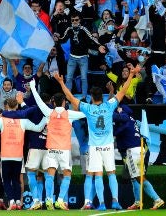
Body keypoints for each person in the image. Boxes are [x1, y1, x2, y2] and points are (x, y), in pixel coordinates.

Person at [54, 66, 140, 210]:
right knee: (111, 173)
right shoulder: (109, 106)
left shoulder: (88, 108)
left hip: (94, 147)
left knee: (97, 174)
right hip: (108, 145)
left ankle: (101, 204)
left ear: (92, 97)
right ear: (102, 96)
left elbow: (70, 97)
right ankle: (115, 201)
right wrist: (131, 75)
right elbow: (123, 90)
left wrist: (61, 82)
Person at [28, 80, 85, 210]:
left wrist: (32, 87)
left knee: (50, 175)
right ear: (64, 102)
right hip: (64, 150)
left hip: (51, 149)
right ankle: (59, 200)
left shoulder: (49, 112)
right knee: (67, 175)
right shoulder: (69, 114)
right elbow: (86, 113)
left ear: (53, 102)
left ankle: (48, 200)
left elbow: (39, 101)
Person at [0, 97, 46, 210]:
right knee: (16, 180)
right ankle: (18, 201)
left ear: (7, 106)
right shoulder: (23, 120)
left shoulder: (2, 120)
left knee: (6, 180)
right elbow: (39, 128)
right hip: (18, 156)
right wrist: (45, 117)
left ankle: (11, 202)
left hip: (5, 155)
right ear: (17, 106)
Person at [112, 105, 165, 210]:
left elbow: (115, 132)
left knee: (139, 177)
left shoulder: (125, 120)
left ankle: (157, 199)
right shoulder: (131, 120)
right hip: (137, 150)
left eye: (119, 111)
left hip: (133, 151)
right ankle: (137, 202)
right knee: (134, 178)